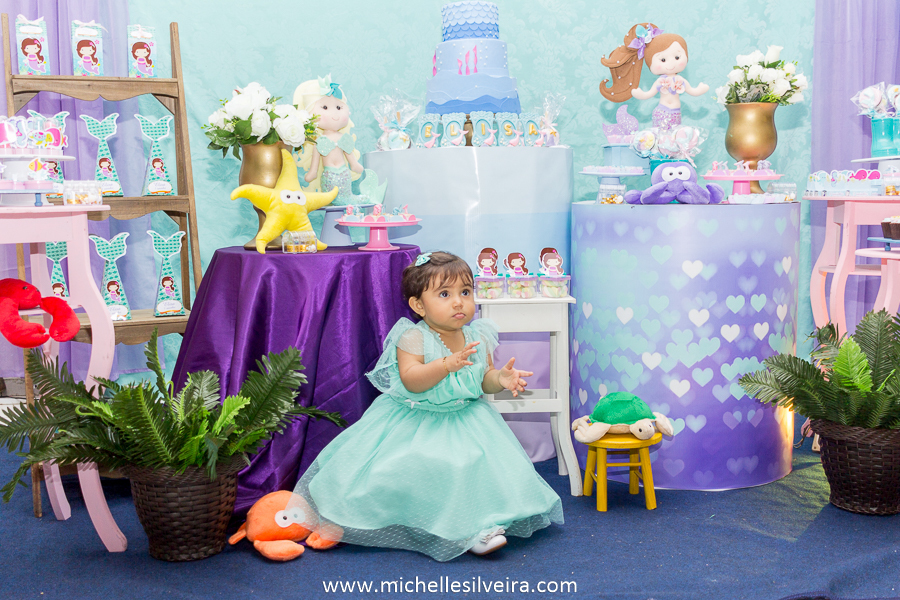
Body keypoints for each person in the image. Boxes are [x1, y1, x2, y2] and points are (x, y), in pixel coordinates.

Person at [290, 251, 563, 561]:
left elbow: (482, 380)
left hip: (465, 418)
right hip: (415, 420)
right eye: (444, 294)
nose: (458, 302)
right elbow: (412, 381)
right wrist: (446, 364)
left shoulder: (478, 335)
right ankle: (361, 519)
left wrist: (499, 378)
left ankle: (478, 528)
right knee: (416, 470)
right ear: (419, 305)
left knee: (474, 470)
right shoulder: (412, 337)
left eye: (465, 292)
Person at [599, 23, 708, 130]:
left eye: (677, 57)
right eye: (663, 60)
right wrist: (641, 94)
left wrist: (700, 89)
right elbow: (650, 93)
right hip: (661, 112)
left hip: (676, 113)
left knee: (674, 134)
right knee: (662, 135)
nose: (671, 63)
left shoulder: (680, 80)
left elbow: (692, 90)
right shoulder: (661, 81)